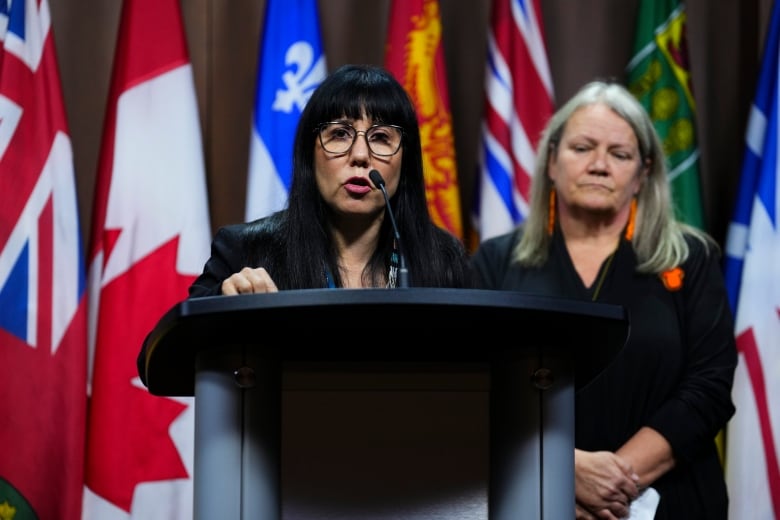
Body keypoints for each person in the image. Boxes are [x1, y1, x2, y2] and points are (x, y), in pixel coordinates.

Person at [471, 80, 737, 519]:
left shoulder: (692, 259)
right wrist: (564, 473)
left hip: (673, 503)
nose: (599, 165)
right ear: (552, 162)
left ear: (643, 174)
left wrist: (610, 486)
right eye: (582, 148)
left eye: (619, 154)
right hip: (533, 500)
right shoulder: (496, 262)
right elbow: (476, 390)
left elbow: (709, 388)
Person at [181, 63, 471, 296]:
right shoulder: (247, 251)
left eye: (381, 137)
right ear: (310, 154)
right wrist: (222, 303)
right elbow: (162, 358)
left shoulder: (443, 260)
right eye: (340, 134)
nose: (360, 155)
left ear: (405, 162)